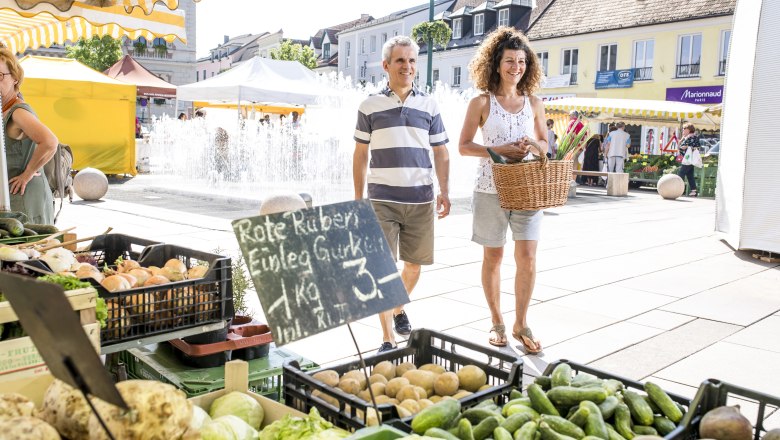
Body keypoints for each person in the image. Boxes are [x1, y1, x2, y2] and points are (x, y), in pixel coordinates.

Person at [353, 35, 451, 354]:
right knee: (383, 269)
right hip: (382, 199)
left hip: (421, 199)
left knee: (413, 268)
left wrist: (445, 191)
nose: (407, 66)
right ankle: (386, 338)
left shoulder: (429, 105)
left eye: (411, 61)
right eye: (400, 60)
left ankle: (397, 309)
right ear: (386, 66)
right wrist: (358, 199)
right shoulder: (370, 105)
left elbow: (442, 152)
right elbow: (359, 154)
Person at [458, 26, 547, 354]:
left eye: (522, 62)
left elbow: (544, 144)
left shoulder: (534, 103)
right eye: (510, 60)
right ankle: (496, 321)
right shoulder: (481, 102)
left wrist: (533, 146)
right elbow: (464, 146)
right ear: (496, 63)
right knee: (493, 256)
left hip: (527, 189)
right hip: (489, 188)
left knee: (527, 257)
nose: (516, 67)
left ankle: (521, 322)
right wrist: (499, 150)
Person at [1, 47, 57, 224]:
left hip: (24, 198)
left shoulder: (18, 112)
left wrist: (28, 173)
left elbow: (49, 142)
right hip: (12, 197)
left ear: (15, 78)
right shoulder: (5, 109)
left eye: (0, 76)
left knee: (30, 250)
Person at [677, 124, 700, 197]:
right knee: (690, 175)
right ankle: (694, 191)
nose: (683, 130)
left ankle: (678, 189)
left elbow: (698, 147)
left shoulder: (693, 137)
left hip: (688, 159)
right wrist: (681, 141)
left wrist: (687, 146)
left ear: (689, 130)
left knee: (681, 173)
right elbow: (679, 147)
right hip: (687, 159)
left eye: (684, 129)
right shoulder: (686, 137)